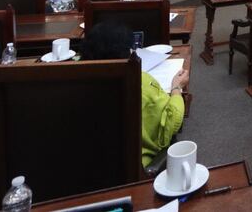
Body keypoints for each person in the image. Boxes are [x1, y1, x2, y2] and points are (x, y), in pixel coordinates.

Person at [80, 21, 188, 168]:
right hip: (136, 166)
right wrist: (176, 87)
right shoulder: (138, 81)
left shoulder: (72, 82)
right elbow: (172, 122)